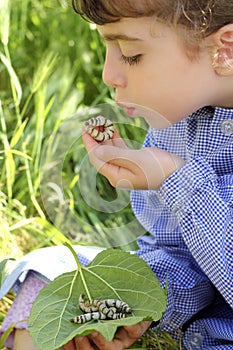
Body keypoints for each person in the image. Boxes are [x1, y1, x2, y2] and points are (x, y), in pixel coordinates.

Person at [1, 0, 233, 348]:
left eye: (131, 55)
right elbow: (180, 254)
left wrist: (177, 179)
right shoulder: (176, 123)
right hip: (196, 322)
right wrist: (137, 306)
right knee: (48, 275)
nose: (109, 75)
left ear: (225, 50)